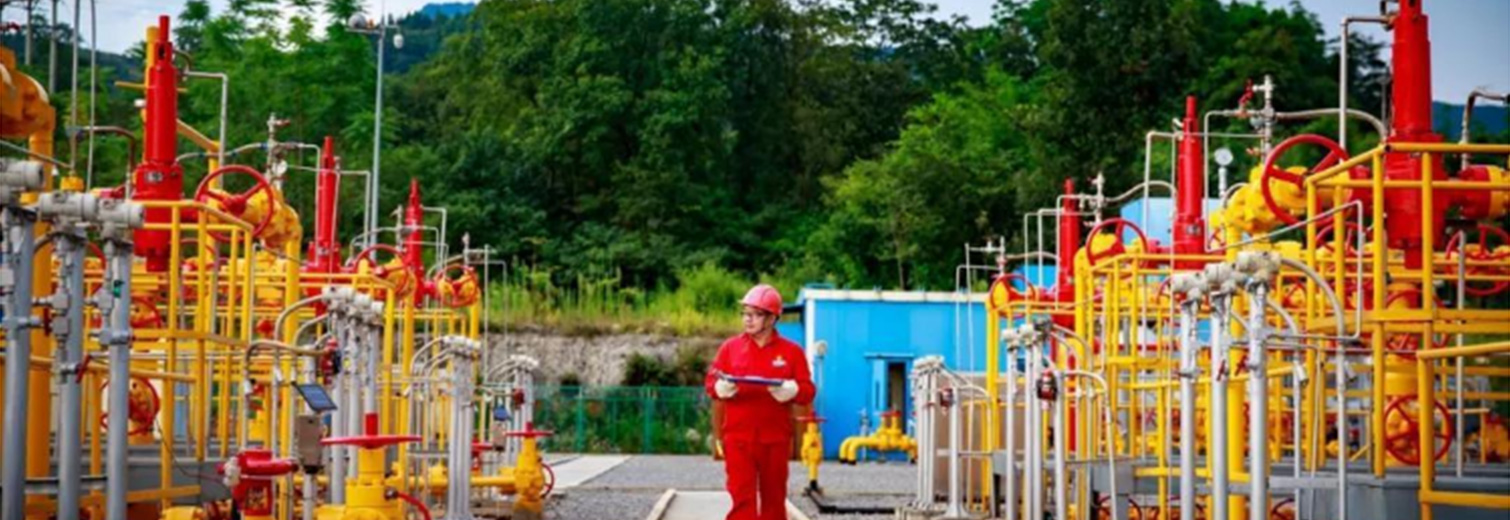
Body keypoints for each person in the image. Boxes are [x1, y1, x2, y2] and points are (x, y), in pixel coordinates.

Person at [705, 284, 815, 520]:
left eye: (755, 314)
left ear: (772, 318)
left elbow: (808, 391)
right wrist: (719, 387)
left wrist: (793, 390)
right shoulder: (730, 348)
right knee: (741, 499)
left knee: (774, 500)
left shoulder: (792, 352)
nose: (748, 319)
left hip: (775, 440)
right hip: (738, 438)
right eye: (745, 313)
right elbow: (710, 381)